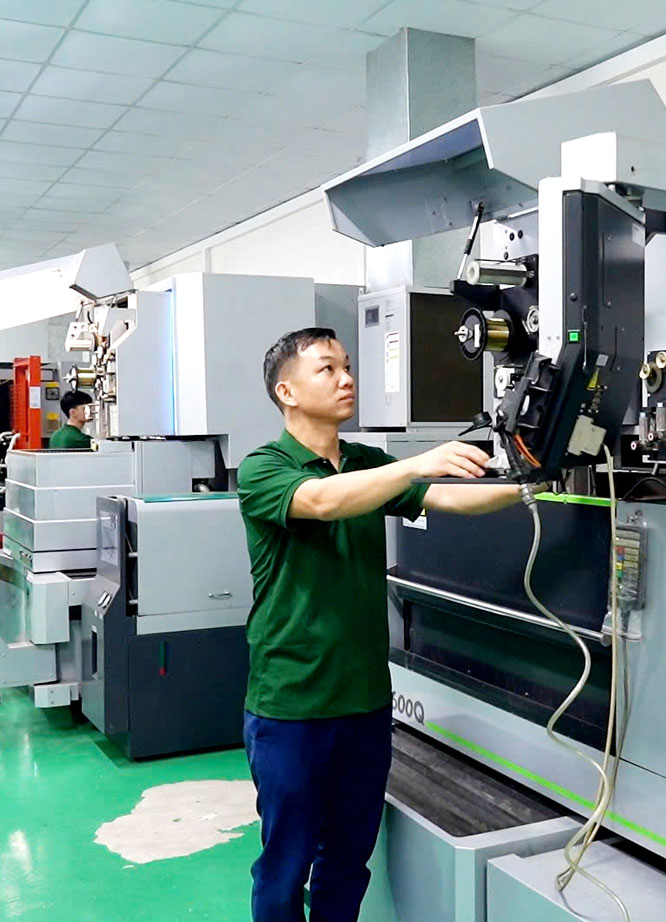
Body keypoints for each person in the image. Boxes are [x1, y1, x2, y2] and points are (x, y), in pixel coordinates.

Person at [237, 328, 527, 922]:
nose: (346, 379)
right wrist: (418, 462)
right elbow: (320, 500)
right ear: (286, 391)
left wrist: (537, 479)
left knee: (348, 860)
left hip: (365, 702)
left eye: (348, 367)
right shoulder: (262, 469)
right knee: (285, 865)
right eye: (327, 370)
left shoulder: (369, 463)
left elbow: (451, 499)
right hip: (291, 704)